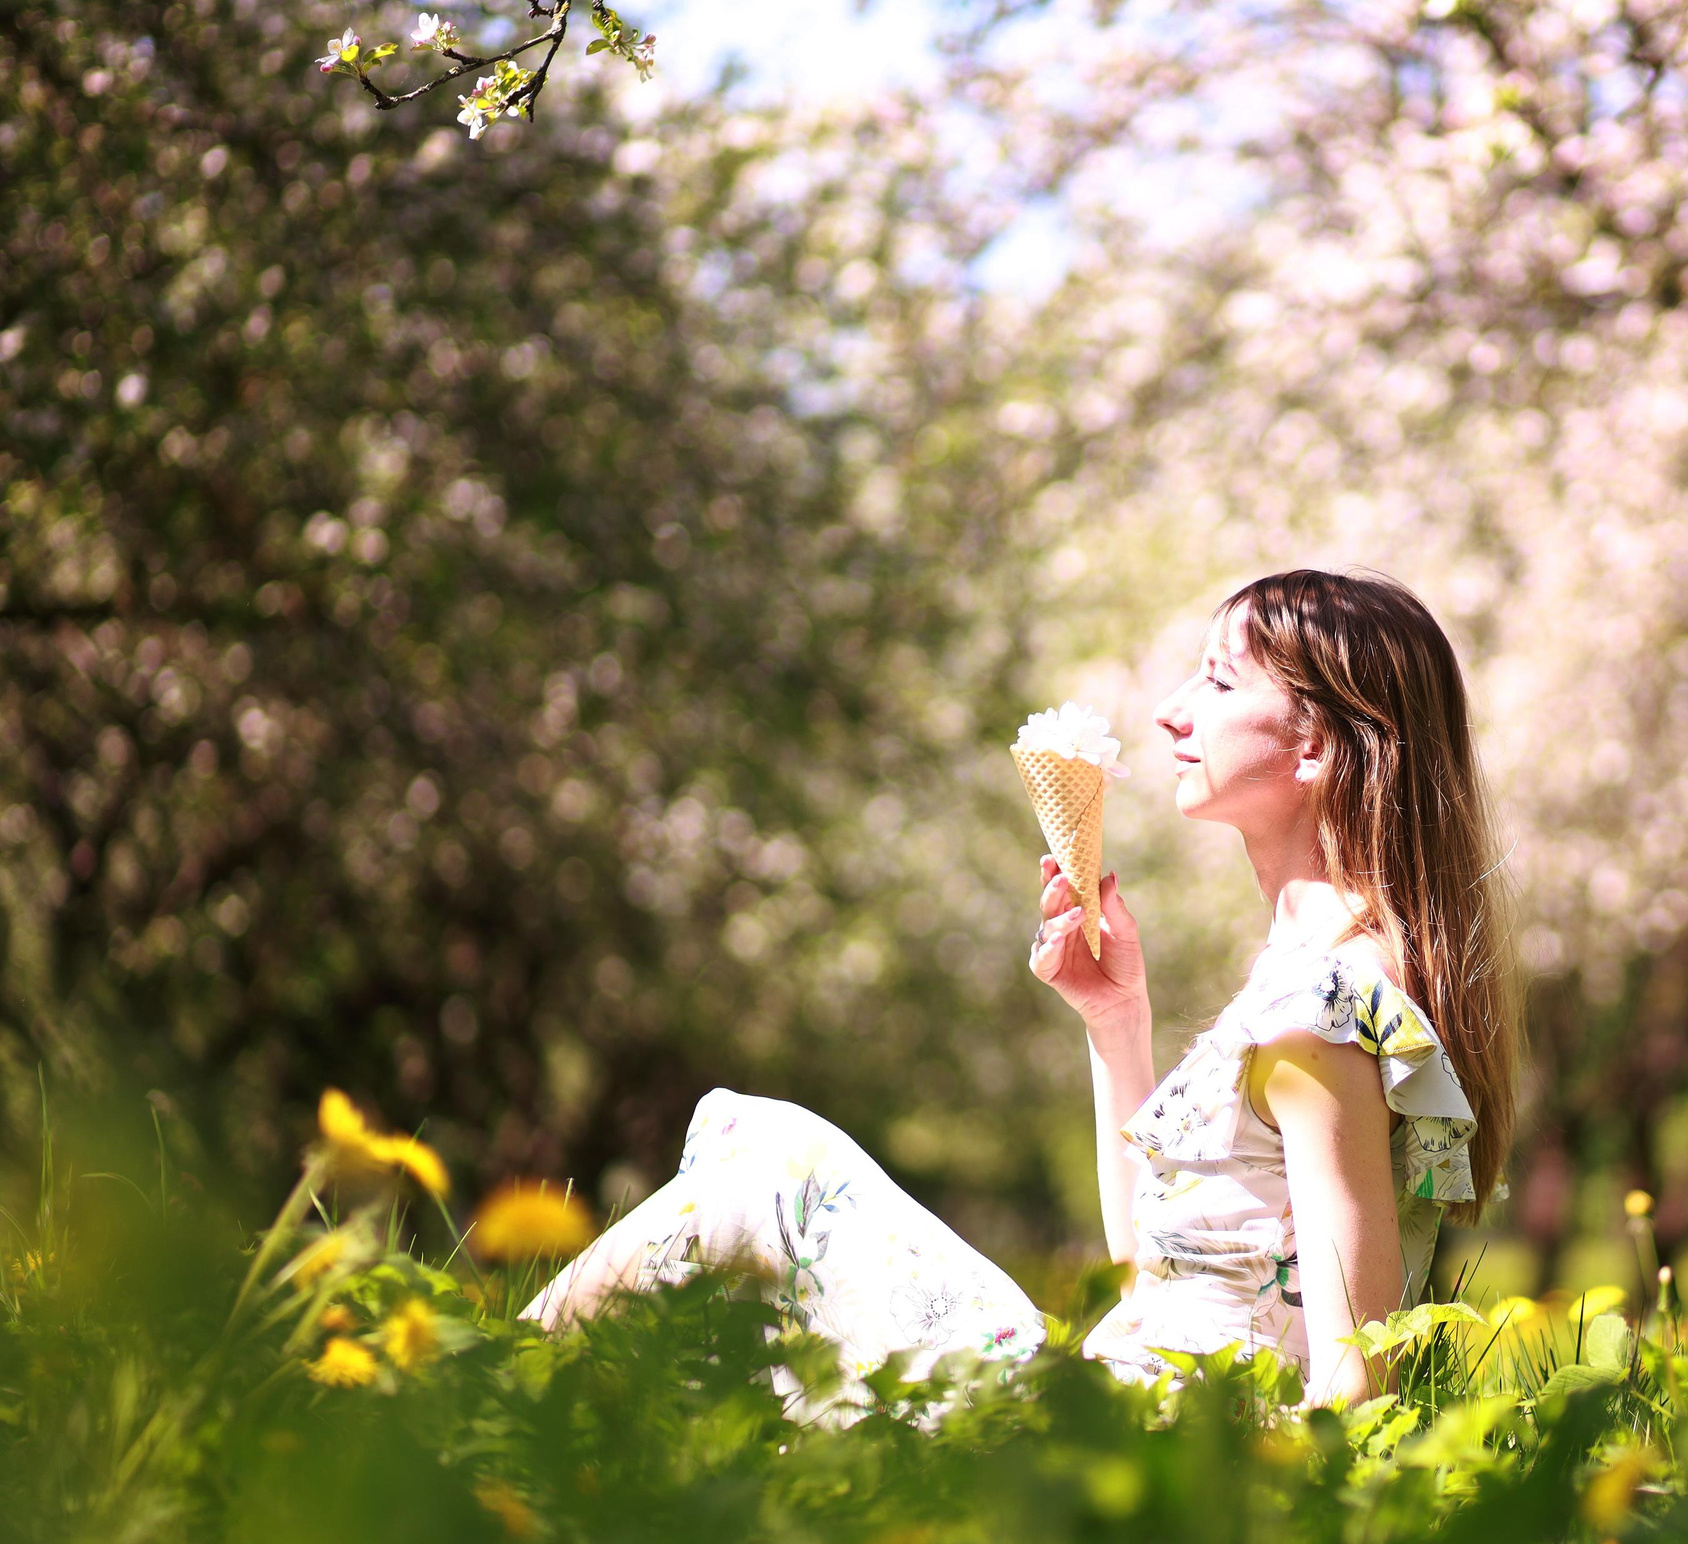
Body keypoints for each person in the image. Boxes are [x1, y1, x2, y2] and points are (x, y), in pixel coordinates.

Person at [522, 569, 1520, 1413]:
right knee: (744, 1160)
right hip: (1112, 1411)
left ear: (1311, 748)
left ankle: (461, 1411)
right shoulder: (1310, 983)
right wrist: (1114, 1018)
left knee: (773, 1168)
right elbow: (1159, 1278)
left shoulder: (1324, 1013)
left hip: (1136, 1458)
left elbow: (1358, 1374)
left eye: (1216, 682)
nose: (1172, 710)